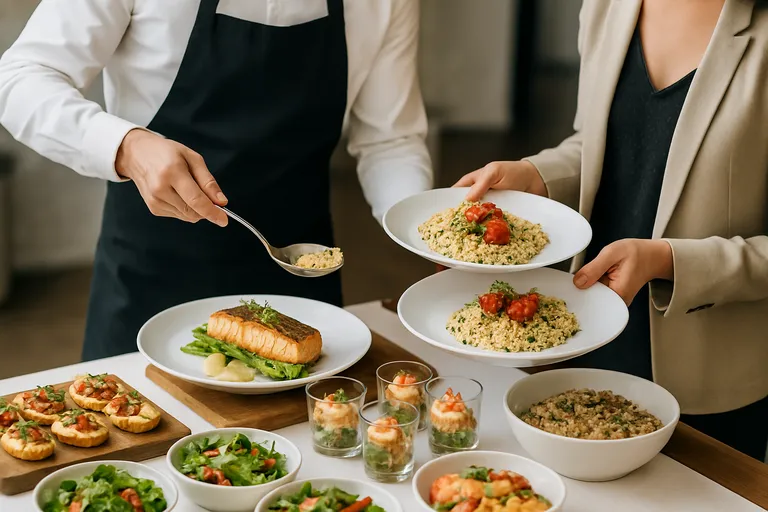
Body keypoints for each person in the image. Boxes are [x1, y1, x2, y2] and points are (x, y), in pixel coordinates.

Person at [0, 1, 432, 361]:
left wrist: (432, 230)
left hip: (297, 284)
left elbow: (390, 141)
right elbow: (21, 78)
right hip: (151, 280)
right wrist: (127, 147)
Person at [456, 0, 768, 460]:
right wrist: (535, 175)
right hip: (587, 332)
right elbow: (599, 143)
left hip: (709, 380)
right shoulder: (607, 7)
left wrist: (669, 261)